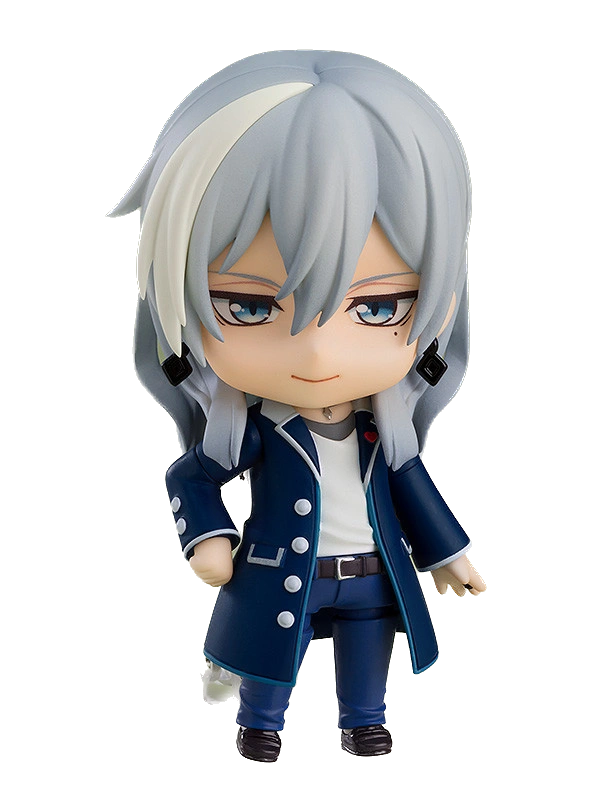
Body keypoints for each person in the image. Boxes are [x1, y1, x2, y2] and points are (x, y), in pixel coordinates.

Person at [109, 50, 486, 762]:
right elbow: (191, 476)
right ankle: (261, 724)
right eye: (249, 307)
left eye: (378, 308)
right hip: (285, 574)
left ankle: (364, 721)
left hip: (374, 576)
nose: (315, 354)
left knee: (369, 661)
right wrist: (207, 537)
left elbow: (413, 484)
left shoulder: (385, 434)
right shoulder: (255, 430)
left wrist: (447, 555)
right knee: (268, 658)